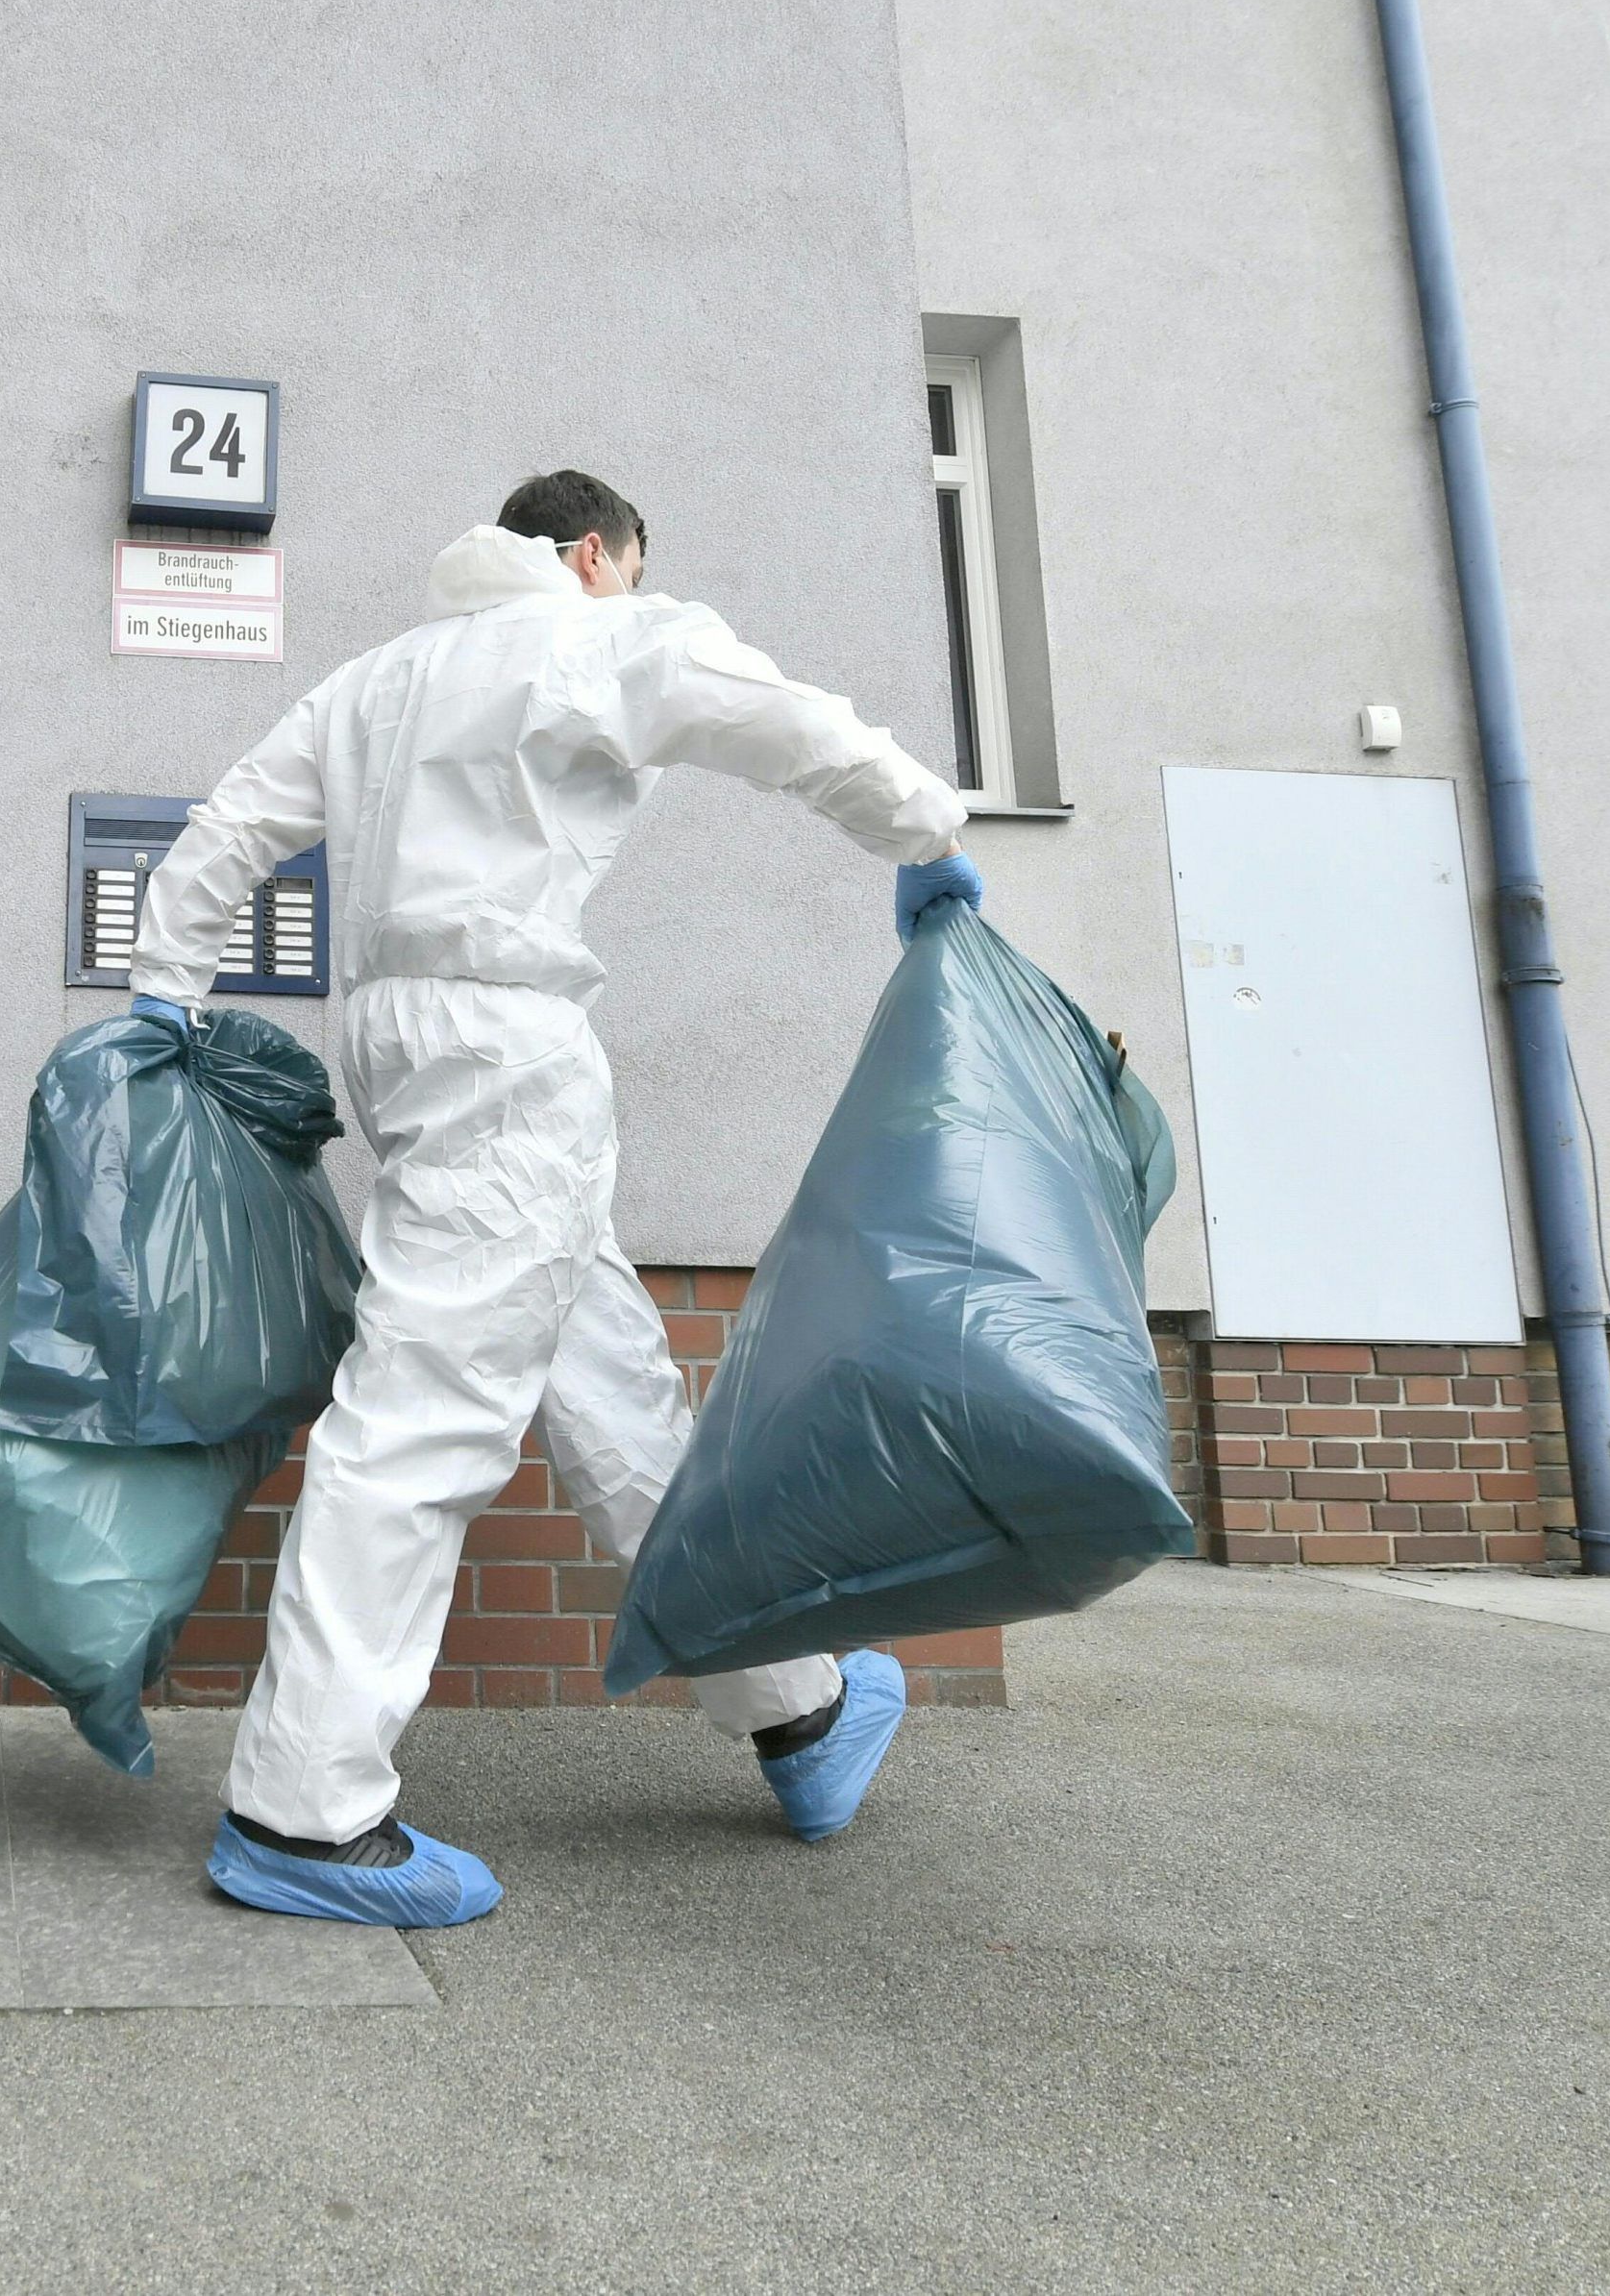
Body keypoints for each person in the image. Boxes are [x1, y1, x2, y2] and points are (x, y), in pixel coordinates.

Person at [125, 470, 980, 1930]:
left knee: (609, 1389)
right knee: (422, 1408)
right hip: (507, 1046)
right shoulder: (603, 637)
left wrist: (162, 999)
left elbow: (220, 838)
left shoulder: (373, 680)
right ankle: (303, 1810)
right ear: (594, 553)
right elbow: (800, 728)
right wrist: (932, 837)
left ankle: (796, 1703)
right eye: (632, 568)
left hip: (396, 1045)